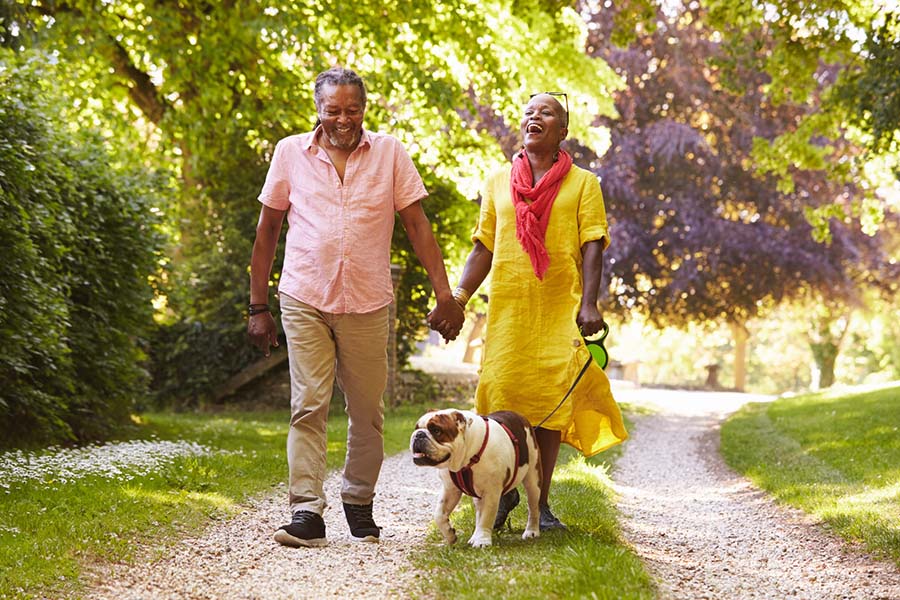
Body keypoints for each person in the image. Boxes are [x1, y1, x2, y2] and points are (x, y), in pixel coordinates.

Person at [248, 67, 464, 548]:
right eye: (333, 111)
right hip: (304, 295)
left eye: (353, 109)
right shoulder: (290, 153)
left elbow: (417, 225)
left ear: (364, 109)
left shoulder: (390, 153)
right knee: (308, 405)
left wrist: (444, 294)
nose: (343, 119)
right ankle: (306, 511)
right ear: (318, 111)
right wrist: (257, 305)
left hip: (367, 301)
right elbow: (267, 232)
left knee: (367, 411)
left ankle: (358, 500)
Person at [446, 92, 628, 531]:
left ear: (563, 131)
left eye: (546, 112)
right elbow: (483, 247)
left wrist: (589, 302)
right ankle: (501, 492)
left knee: (549, 408)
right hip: (509, 309)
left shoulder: (584, 184)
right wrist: (458, 297)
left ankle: (539, 505)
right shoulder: (496, 182)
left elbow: (592, 246)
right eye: (529, 112)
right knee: (501, 398)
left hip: (557, 308)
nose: (534, 117)